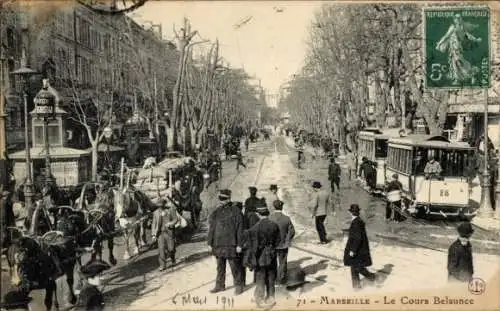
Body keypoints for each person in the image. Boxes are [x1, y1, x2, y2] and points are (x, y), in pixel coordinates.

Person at [207, 189, 245, 295]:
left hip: (231, 244)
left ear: (229, 199)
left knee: (235, 267)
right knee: (220, 267)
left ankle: (238, 286)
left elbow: (240, 229)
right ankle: (220, 286)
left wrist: (239, 244)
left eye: (223, 199)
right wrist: (209, 243)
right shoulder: (216, 212)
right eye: (220, 198)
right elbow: (212, 229)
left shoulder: (236, 212)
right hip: (218, 244)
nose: (221, 201)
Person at [247, 205, 281, 307]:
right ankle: (271, 297)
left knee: (260, 277)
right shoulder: (274, 225)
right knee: (271, 276)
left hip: (260, 256)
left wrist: (253, 258)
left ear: (258, 214)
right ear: (267, 214)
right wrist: (271, 249)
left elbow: (254, 246)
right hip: (271, 255)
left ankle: (260, 299)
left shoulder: (255, 228)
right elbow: (278, 240)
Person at [343, 204, 377, 290]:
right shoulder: (359, 221)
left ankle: (359, 285)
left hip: (357, 249)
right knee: (356, 266)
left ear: (350, 213)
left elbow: (358, 238)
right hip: (361, 248)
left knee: (355, 267)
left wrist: (353, 250)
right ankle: (368, 278)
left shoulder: (356, 223)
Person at [268, 200, 295, 286]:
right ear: (282, 207)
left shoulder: (270, 218)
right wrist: (287, 240)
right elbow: (292, 231)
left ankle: (273, 278)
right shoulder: (287, 218)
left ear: (273, 207)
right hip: (283, 245)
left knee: (272, 262)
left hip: (272, 245)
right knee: (282, 262)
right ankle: (281, 279)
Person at [152, 198, 179, 271]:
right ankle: (162, 265)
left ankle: (173, 258)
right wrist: (153, 235)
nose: (160, 207)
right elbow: (154, 224)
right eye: (158, 206)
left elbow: (176, 219)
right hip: (160, 233)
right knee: (161, 249)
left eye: (161, 206)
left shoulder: (171, 210)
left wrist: (170, 223)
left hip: (169, 232)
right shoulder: (156, 213)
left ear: (164, 204)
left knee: (171, 248)